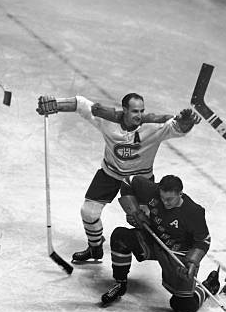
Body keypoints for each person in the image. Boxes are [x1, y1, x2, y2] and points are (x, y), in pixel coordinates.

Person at [36, 93, 200, 262]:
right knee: (88, 213)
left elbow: (178, 128)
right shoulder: (107, 120)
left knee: (147, 221)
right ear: (125, 110)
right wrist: (55, 104)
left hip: (140, 181)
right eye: (135, 111)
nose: (139, 115)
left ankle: (166, 256)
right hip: (110, 174)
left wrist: (186, 124)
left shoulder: (154, 126)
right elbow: (81, 104)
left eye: (142, 111)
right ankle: (95, 248)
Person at [102, 174, 219, 312]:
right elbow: (128, 181)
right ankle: (120, 284)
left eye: (169, 199)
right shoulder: (152, 190)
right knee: (120, 236)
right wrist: (134, 210)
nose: (165, 203)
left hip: (177, 252)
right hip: (153, 239)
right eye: (162, 198)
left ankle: (207, 287)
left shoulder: (194, 212)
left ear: (180, 194)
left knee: (183, 306)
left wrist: (192, 261)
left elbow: (203, 240)